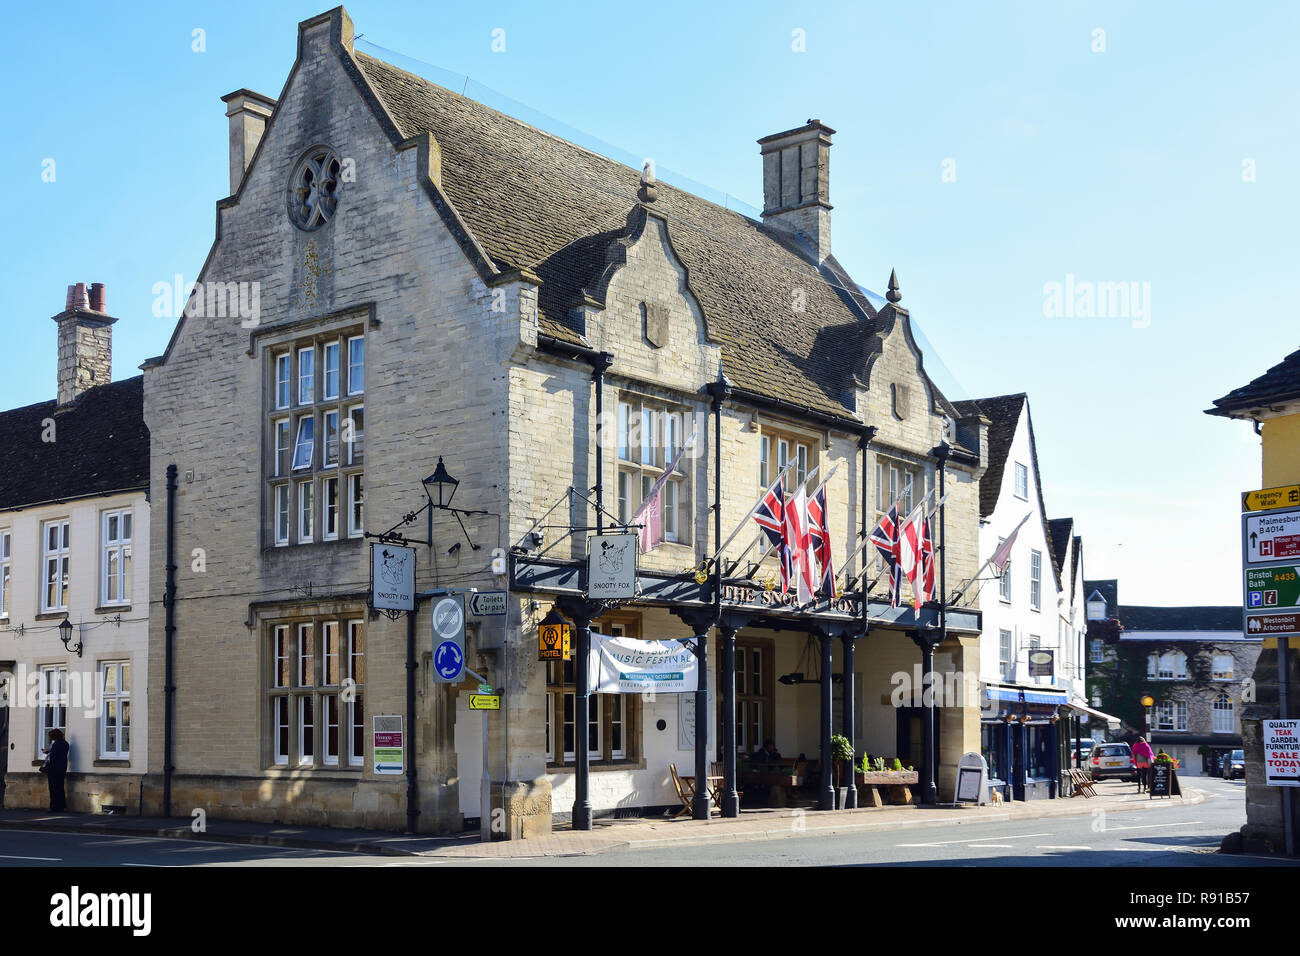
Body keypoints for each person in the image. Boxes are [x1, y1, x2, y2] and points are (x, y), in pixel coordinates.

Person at [43, 729, 70, 812]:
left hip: (54, 769)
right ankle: (61, 806)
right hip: (62, 768)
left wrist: (47, 752)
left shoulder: (55, 744)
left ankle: (54, 806)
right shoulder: (66, 744)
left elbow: (53, 756)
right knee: (60, 788)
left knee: (53, 789)